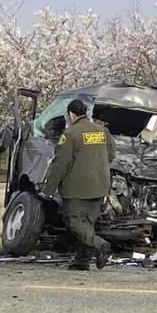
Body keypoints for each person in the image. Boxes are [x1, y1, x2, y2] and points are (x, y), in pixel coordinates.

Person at [40, 99, 115, 270]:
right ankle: (82, 261)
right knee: (87, 223)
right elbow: (111, 154)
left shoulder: (70, 134)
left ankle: (100, 245)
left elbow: (60, 164)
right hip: (100, 185)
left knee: (74, 223)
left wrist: (48, 190)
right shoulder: (102, 131)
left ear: (71, 114)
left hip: (77, 187)